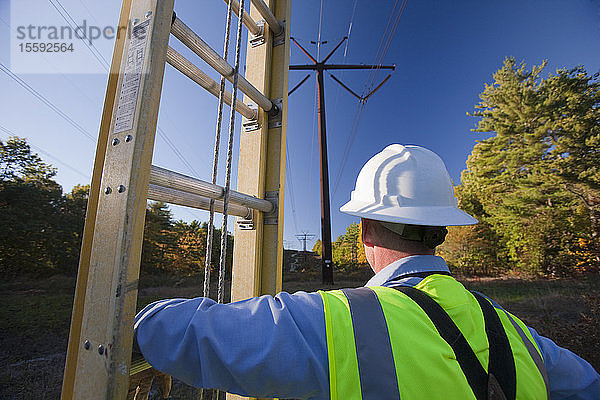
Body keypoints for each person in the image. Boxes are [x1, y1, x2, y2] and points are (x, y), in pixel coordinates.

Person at [132, 144, 600, 399]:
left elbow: (181, 333)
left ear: (366, 228)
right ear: (439, 228)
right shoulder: (513, 329)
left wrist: (140, 314)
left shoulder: (338, 322)